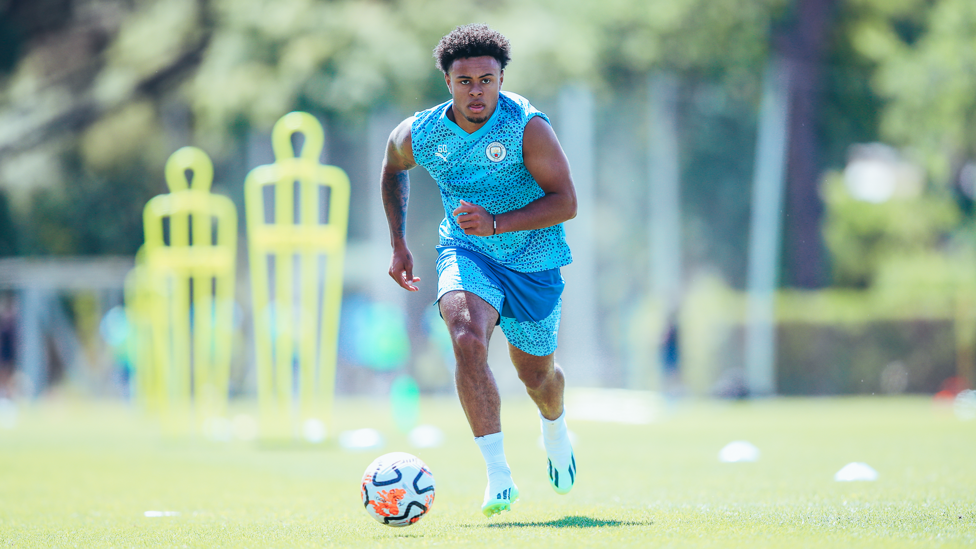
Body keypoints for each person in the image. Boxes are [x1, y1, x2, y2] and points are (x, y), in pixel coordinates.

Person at [380, 23, 578, 517]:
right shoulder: (422, 133)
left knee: (538, 377)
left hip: (535, 262)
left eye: (486, 80)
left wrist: (497, 223)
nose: (477, 92)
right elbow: (392, 167)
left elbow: (567, 201)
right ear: (447, 81)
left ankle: (554, 427)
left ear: (501, 79)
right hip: (467, 253)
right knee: (466, 336)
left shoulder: (527, 126)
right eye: (465, 81)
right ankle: (498, 475)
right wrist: (399, 243)